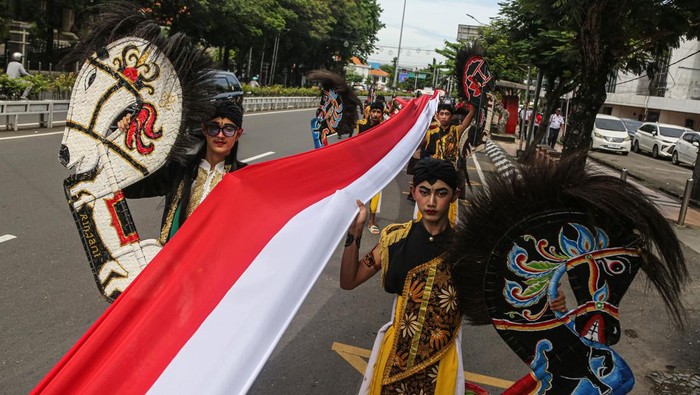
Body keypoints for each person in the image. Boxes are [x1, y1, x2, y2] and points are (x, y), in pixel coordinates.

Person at [340, 158, 465, 394]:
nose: (431, 202)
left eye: (441, 193)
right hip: (394, 360)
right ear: (413, 191)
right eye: (424, 192)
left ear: (454, 195)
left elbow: (501, 302)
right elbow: (349, 280)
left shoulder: (467, 249)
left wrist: (553, 302)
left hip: (441, 362)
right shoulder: (395, 239)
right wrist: (354, 233)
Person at [123, 100, 246, 244]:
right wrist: (127, 139)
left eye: (228, 129)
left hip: (217, 260)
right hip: (177, 257)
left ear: (238, 134)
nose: (220, 135)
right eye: (214, 128)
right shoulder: (179, 167)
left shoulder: (245, 178)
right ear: (204, 129)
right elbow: (130, 188)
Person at [356, 101, 385, 234]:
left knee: (376, 193)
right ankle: (357, 217)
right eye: (373, 111)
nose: (375, 114)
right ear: (369, 112)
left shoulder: (385, 127)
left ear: (382, 114)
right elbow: (356, 143)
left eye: (378, 112)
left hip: (377, 165)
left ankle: (371, 222)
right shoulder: (361, 125)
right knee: (359, 191)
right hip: (361, 164)